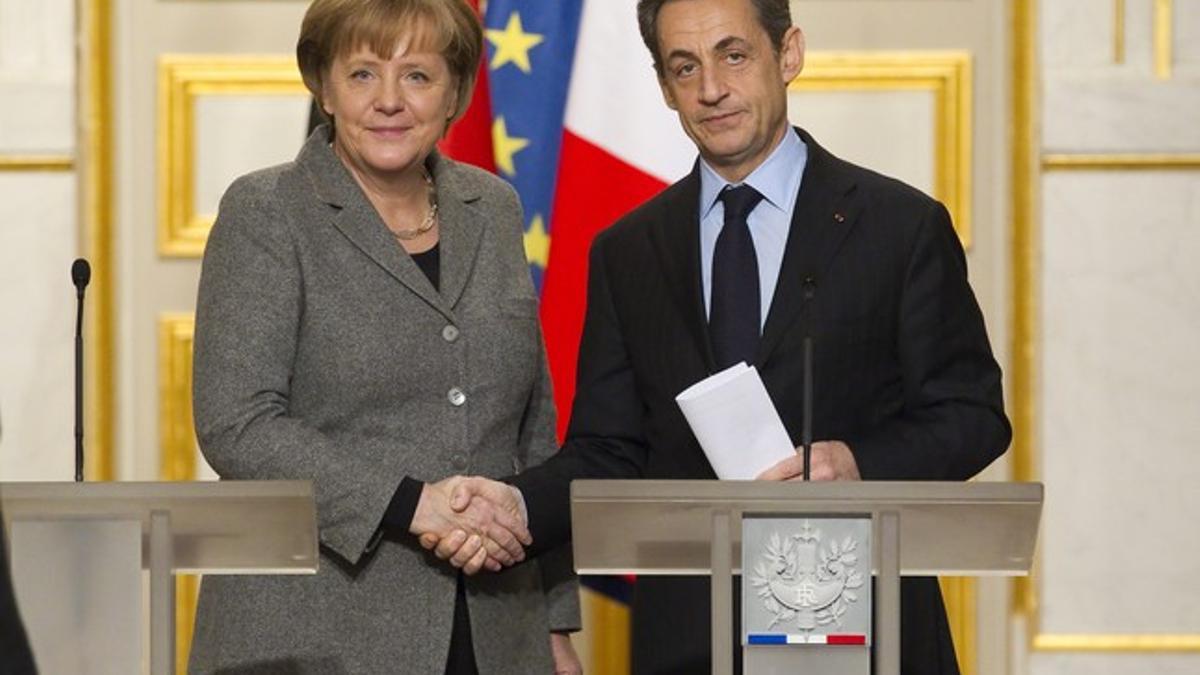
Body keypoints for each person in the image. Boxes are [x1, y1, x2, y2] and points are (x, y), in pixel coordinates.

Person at [438, 0, 1011, 673]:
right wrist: (515, 502)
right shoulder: (629, 250)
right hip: (691, 636)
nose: (711, 88)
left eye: (733, 55)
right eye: (685, 66)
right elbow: (608, 449)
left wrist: (856, 462)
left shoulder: (899, 225)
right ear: (663, 87)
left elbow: (973, 417)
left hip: (860, 619)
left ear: (788, 54)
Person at [188, 1, 580, 673]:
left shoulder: (494, 207)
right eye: (364, 74)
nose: (390, 101)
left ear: (455, 90)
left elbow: (531, 424)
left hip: (494, 629)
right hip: (316, 629)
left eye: (418, 76)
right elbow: (238, 423)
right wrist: (411, 504)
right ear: (324, 85)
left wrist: (554, 620)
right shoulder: (266, 212)